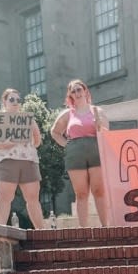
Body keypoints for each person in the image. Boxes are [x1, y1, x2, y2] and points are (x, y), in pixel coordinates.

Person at [50, 80, 109, 227]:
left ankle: (106, 227)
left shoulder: (97, 111)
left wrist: (99, 125)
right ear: (70, 95)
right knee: (81, 193)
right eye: (73, 91)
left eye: (79, 90)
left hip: (96, 152)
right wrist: (67, 145)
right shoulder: (68, 114)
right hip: (75, 156)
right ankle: (84, 230)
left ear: (85, 91)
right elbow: (55, 132)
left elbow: (106, 133)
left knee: (99, 191)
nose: (77, 93)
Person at [0, 88, 44, 229]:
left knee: (33, 198)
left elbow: (38, 140)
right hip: (5, 161)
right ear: (4, 101)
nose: (15, 102)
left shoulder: (27, 119)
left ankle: (42, 232)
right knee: (5, 197)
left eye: (18, 100)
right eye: (12, 99)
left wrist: (28, 145)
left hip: (28, 161)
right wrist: (6, 144)